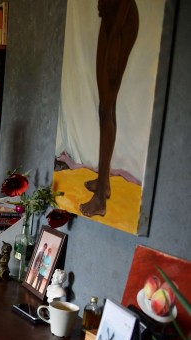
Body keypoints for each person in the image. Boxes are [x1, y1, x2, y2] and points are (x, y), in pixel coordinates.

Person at [80, 0, 138, 217]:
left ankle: (100, 201)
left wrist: (114, 41)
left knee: (107, 107)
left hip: (121, 22)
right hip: (109, 18)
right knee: (105, 107)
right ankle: (103, 182)